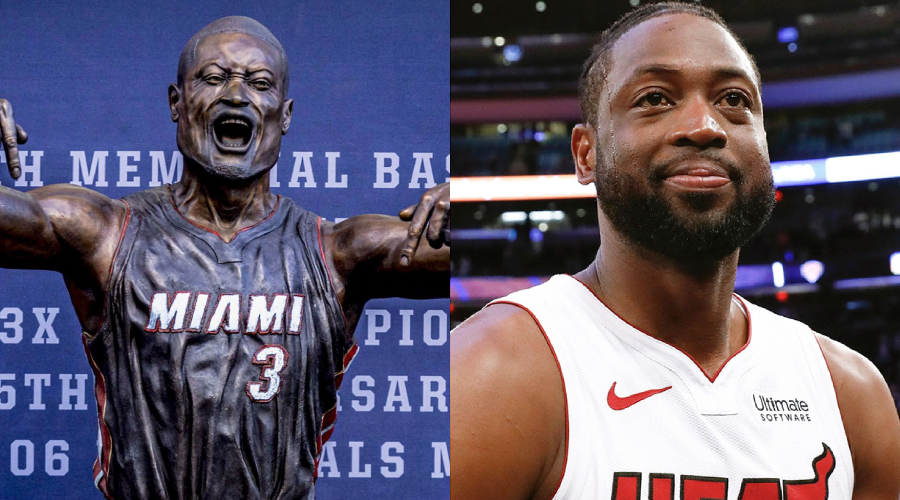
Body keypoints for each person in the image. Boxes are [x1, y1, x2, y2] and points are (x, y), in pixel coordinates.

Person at [450, 3, 900, 499]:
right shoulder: (493, 376)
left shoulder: (851, 395)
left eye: (734, 99)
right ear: (586, 154)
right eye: (655, 98)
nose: (705, 126)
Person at [0, 16, 448, 500]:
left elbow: (481, 258)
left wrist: (480, 202)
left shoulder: (338, 254)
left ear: (286, 114)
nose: (236, 95)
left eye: (259, 83)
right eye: (214, 78)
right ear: (177, 103)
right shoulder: (106, 233)